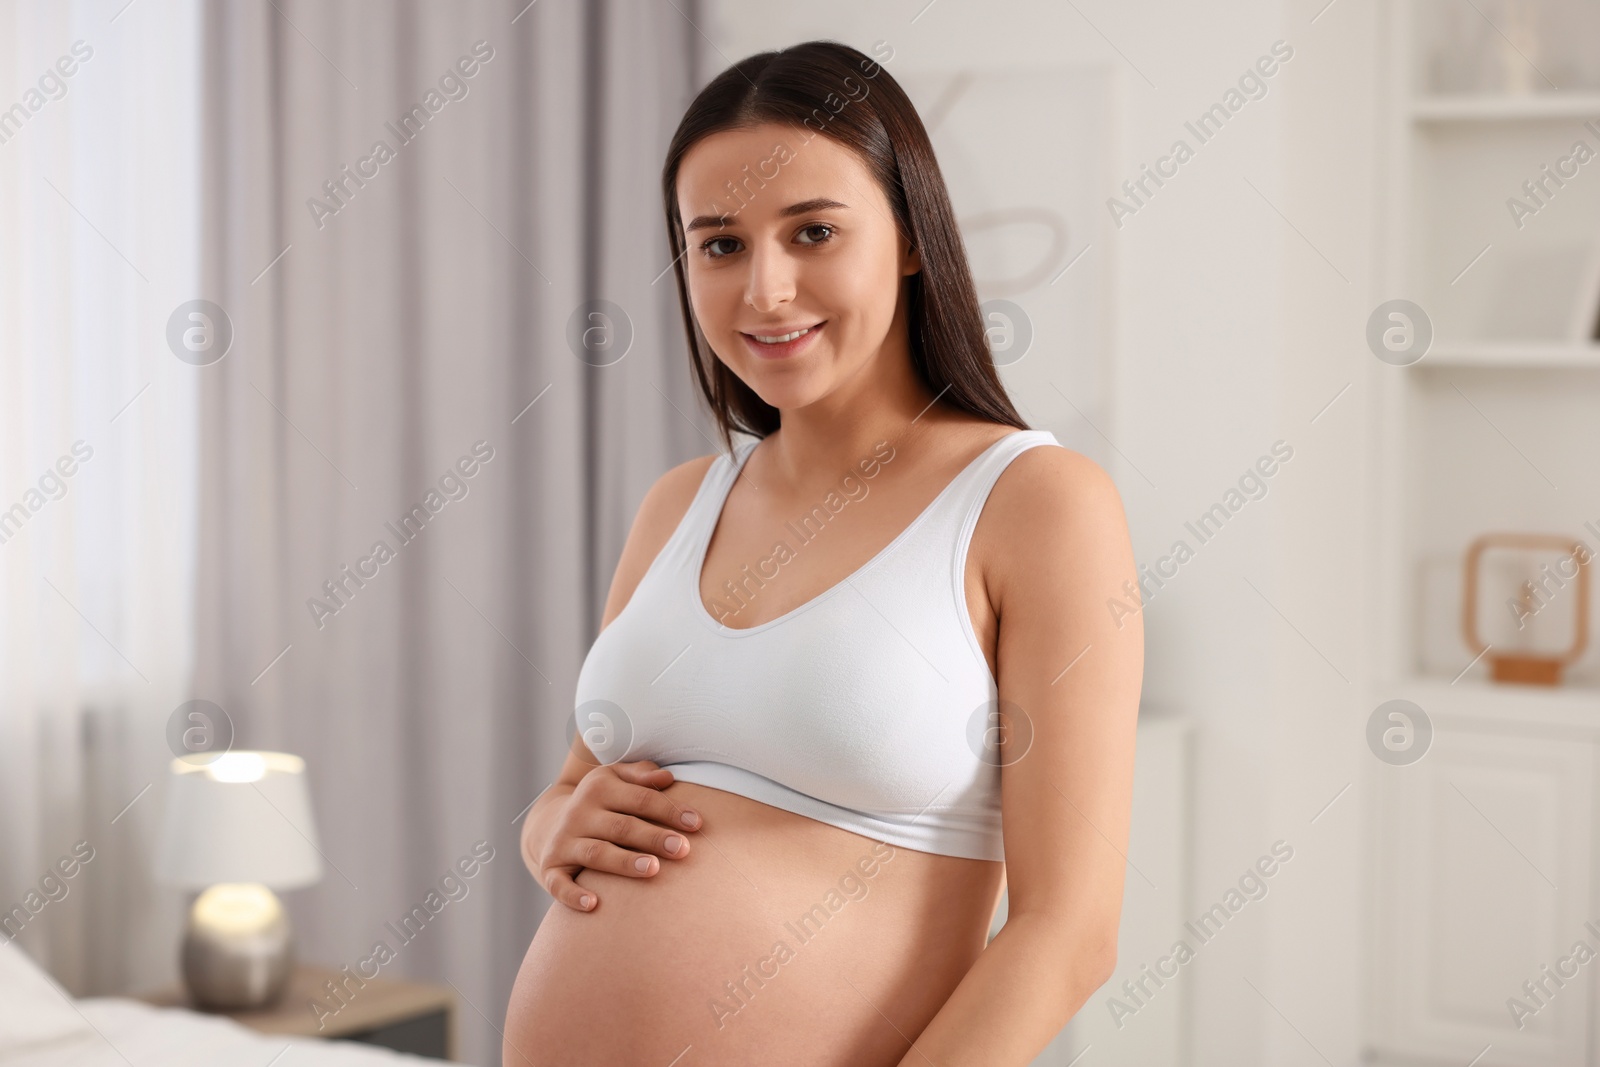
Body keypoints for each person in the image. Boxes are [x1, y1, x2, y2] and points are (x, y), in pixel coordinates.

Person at [503, 39, 1143, 1067]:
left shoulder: (1034, 503)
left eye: (811, 232)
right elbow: (576, 787)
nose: (764, 289)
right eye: (718, 244)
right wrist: (544, 827)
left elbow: (1067, 931)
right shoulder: (680, 503)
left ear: (907, 237)